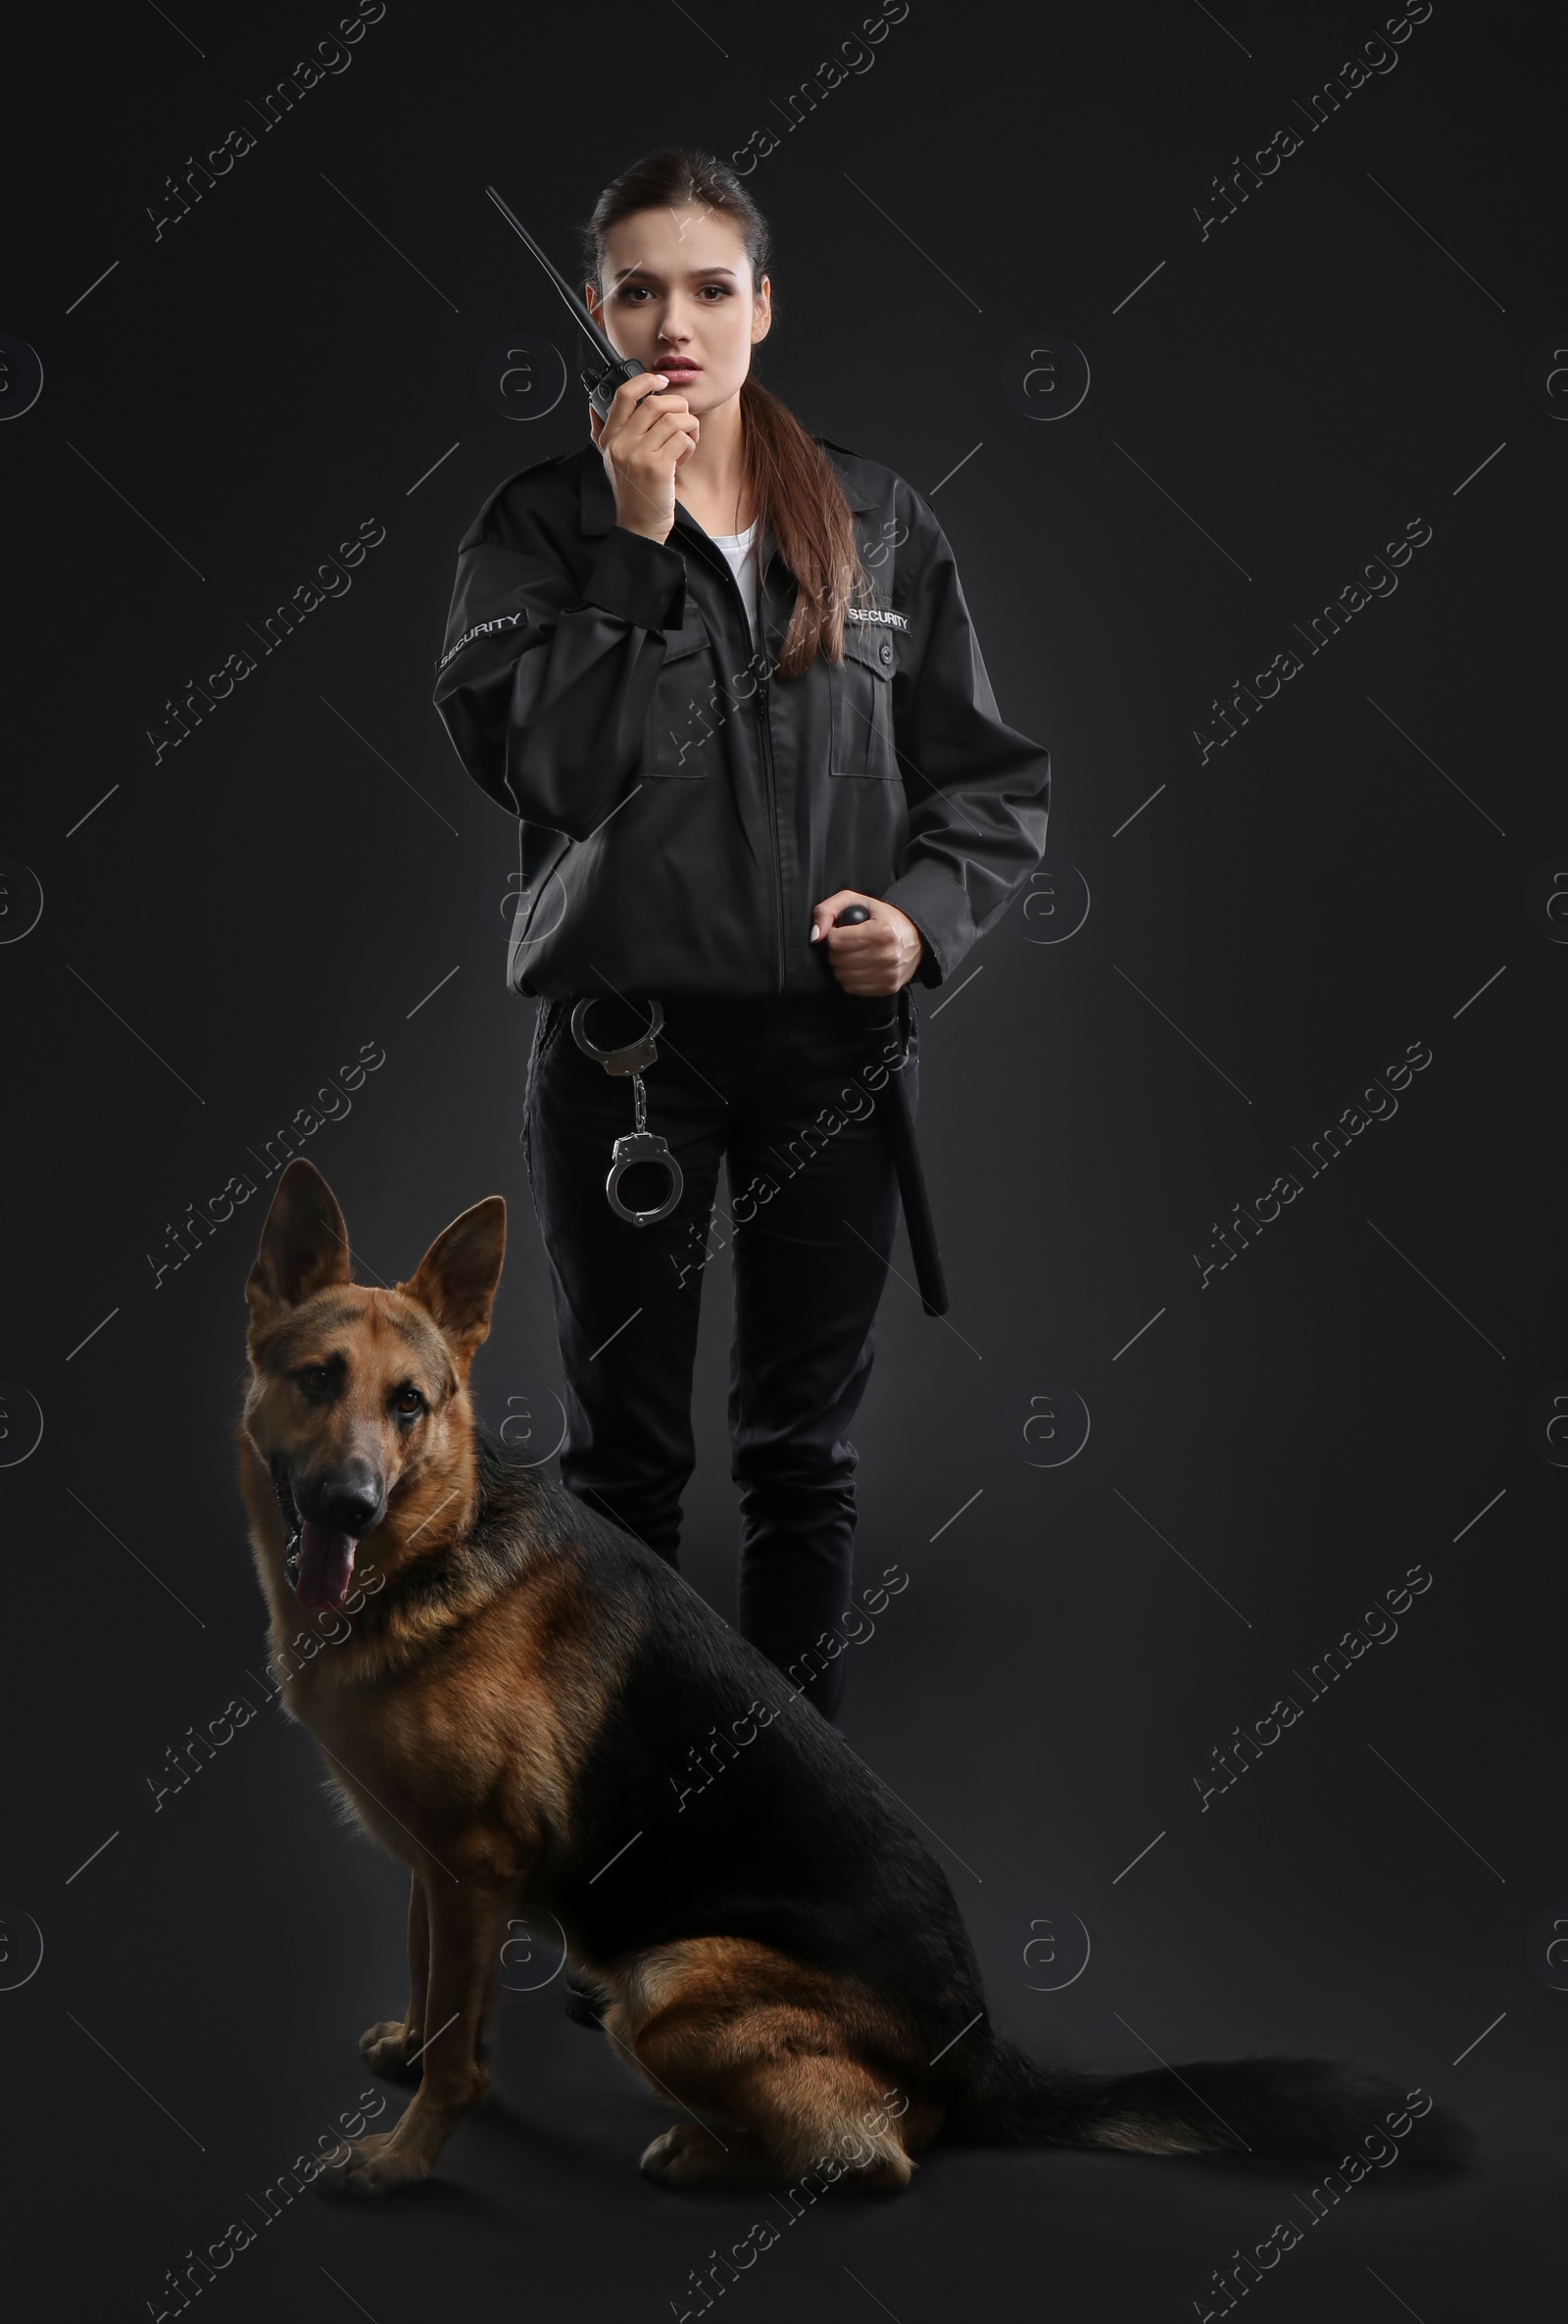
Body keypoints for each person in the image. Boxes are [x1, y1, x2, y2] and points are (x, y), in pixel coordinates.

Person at [433, 147, 1049, 1731]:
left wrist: (916, 927)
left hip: (824, 1057)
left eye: (710, 288)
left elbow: (991, 787)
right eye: (637, 289)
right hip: (626, 1060)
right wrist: (637, 543)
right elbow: (560, 772)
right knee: (625, 1467)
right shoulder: (539, 530)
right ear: (594, 310)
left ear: (764, 307)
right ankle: (628, 1861)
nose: (674, 323)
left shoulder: (876, 519)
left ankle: (799, 1866)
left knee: (803, 1461)